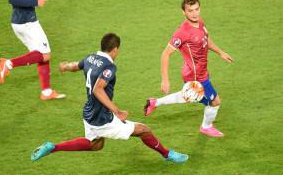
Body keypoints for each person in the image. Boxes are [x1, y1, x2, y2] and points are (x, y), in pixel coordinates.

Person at [30, 33, 188, 163]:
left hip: (89, 113)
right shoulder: (109, 66)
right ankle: (168, 154)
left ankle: (53, 147)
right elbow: (98, 89)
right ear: (115, 49)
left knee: (95, 145)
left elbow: (75, 66)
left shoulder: (90, 57)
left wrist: (65, 66)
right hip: (102, 118)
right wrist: (117, 111)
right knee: (144, 131)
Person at [144, 0, 234, 138]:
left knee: (190, 96)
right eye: (190, 11)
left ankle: (154, 102)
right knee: (215, 102)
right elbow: (166, 54)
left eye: (197, 9)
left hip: (198, 70)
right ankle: (206, 126)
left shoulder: (200, 22)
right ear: (183, 12)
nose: (194, 13)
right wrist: (165, 79)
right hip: (196, 75)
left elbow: (206, 39)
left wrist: (220, 52)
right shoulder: (182, 33)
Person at [0, 0, 65, 100]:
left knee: (39, 54)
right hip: (28, 24)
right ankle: (8, 64)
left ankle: (46, 92)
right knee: (45, 54)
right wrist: (36, 2)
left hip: (19, 23)